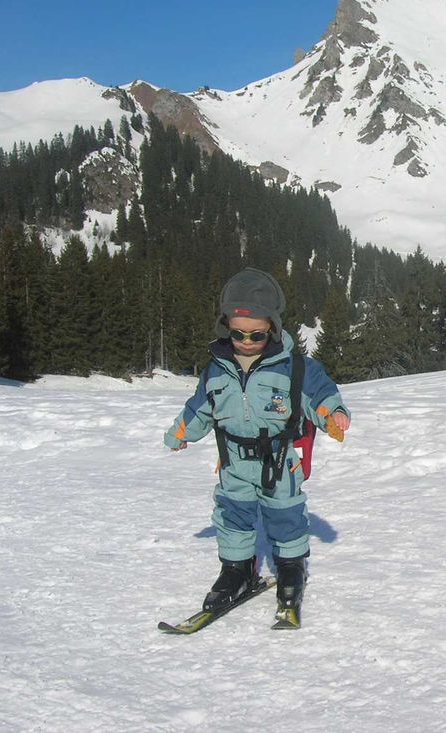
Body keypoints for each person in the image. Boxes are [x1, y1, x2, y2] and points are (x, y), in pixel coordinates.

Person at [164, 267, 350, 627]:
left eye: (257, 334)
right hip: (233, 461)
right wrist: (182, 432)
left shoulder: (295, 367)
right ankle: (236, 570)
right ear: (225, 328)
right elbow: (200, 406)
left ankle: (291, 569)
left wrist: (333, 414)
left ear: (273, 330)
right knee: (233, 515)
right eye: (238, 333)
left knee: (286, 514)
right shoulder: (217, 369)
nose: (246, 341)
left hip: (279, 461)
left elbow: (321, 394)